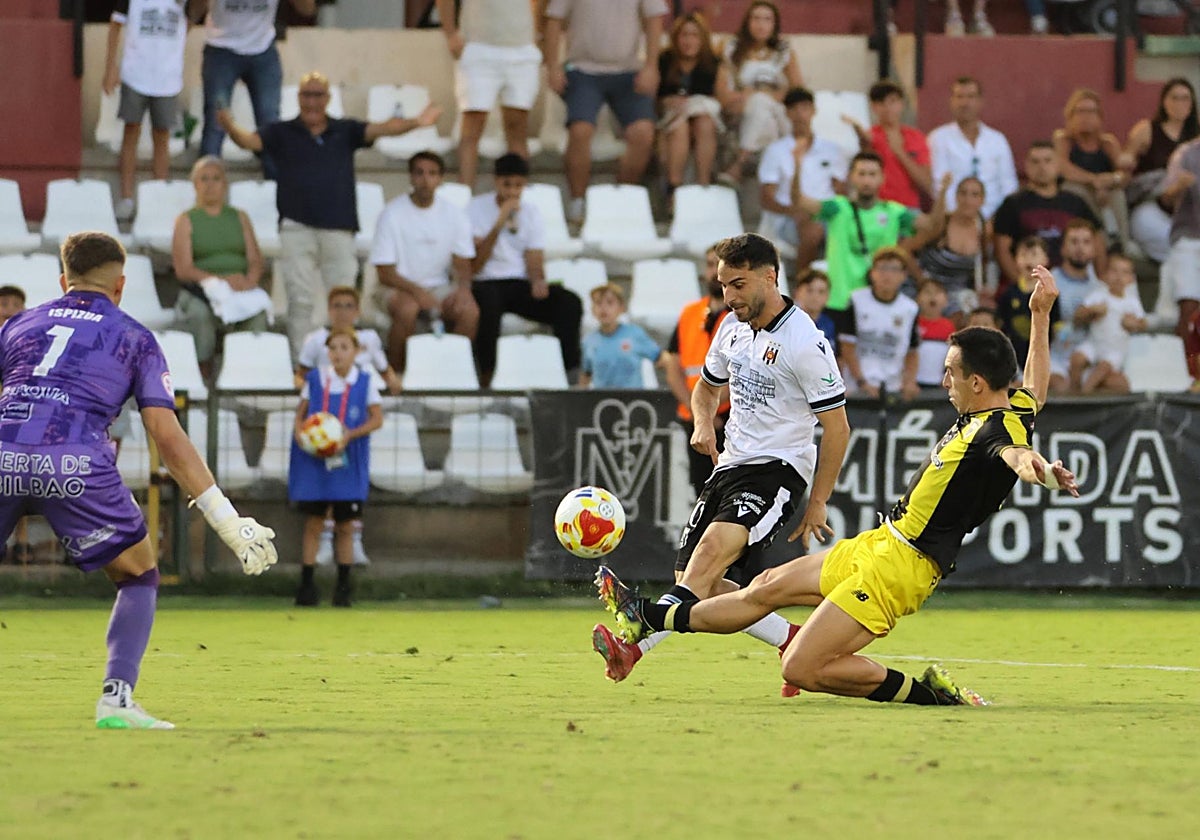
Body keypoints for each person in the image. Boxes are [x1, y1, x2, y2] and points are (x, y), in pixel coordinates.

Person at [595, 264, 1079, 706]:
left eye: (951, 370)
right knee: (762, 586)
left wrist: (1044, 474)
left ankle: (930, 695)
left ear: (976, 382)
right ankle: (647, 616)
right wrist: (1040, 315)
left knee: (801, 668)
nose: (943, 377)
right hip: (881, 543)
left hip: (904, 568)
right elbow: (1036, 389)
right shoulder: (1011, 406)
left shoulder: (996, 429)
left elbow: (1020, 457)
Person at [0, 231, 277, 728]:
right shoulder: (134, 337)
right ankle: (115, 698)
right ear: (121, 286)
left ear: (64, 280)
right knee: (138, 573)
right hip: (75, 462)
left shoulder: (18, 325)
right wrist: (226, 518)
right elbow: (164, 435)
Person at [590, 233, 852, 692]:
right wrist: (703, 424)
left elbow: (838, 427)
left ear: (771, 278)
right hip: (730, 464)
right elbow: (707, 387)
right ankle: (792, 639)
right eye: (723, 285)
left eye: (738, 285)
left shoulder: (804, 342)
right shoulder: (731, 326)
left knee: (707, 559)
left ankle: (636, 638)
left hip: (779, 469)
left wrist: (819, 501)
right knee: (698, 585)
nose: (728, 297)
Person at [218, 71, 441, 360]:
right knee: (300, 301)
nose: (312, 101)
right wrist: (229, 125)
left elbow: (382, 129)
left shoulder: (344, 130)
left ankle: (346, 362)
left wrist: (416, 123)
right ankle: (304, 366)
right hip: (296, 228)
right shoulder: (280, 132)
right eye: (306, 95)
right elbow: (248, 142)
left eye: (317, 95)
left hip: (338, 228)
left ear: (327, 98)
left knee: (344, 300)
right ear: (299, 98)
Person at [296, 286, 400, 568]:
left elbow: (385, 371)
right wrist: (314, 413)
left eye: (348, 305)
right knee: (322, 487)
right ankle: (325, 544)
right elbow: (301, 375)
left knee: (350, 485)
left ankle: (353, 542)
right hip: (323, 416)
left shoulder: (369, 341)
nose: (342, 311)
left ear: (357, 310)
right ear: (329, 310)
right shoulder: (316, 340)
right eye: (337, 305)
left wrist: (392, 382)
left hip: (353, 418)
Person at [542, 0, 668, 224]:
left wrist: (651, 66)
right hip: (582, 70)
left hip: (628, 71)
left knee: (644, 132)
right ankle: (577, 202)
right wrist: (552, 65)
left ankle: (618, 198)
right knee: (580, 130)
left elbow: (654, 18)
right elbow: (554, 19)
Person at [468, 153, 583, 387]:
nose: (512, 191)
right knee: (489, 306)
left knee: (569, 302)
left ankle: (569, 370)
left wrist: (538, 280)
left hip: (517, 282)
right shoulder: (475, 209)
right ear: (496, 181)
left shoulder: (531, 213)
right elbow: (476, 263)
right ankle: (487, 373)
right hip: (486, 280)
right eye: (506, 184)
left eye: (518, 185)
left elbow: (534, 255)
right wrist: (499, 223)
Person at [290, 328, 383, 608]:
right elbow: (301, 413)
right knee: (313, 523)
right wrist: (301, 434)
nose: (338, 353)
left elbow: (376, 419)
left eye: (344, 347)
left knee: (345, 525)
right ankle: (306, 586)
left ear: (355, 351)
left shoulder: (366, 382)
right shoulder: (316, 379)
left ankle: (343, 588)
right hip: (315, 461)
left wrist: (349, 435)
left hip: (347, 458)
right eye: (333, 348)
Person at [369, 151, 478, 375]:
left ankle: (453, 372)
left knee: (470, 311)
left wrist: (464, 290)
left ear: (440, 179)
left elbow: (462, 263)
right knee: (407, 309)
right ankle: (396, 374)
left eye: (432, 173)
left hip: (438, 286)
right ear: (410, 177)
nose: (426, 180)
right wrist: (418, 292)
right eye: (419, 173)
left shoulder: (454, 214)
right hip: (397, 286)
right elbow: (385, 273)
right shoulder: (392, 214)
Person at [790, 149, 928, 314]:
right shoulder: (837, 207)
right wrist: (796, 166)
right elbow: (799, 200)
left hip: (877, 301)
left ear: (882, 177)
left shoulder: (893, 212)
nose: (867, 180)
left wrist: (942, 193)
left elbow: (931, 225)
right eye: (861, 174)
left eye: (872, 174)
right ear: (851, 177)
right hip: (839, 301)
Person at [171, 155, 271, 381]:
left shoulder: (239, 217)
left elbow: (256, 260)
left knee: (258, 314)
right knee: (200, 316)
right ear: (195, 185)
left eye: (216, 179)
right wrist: (222, 281)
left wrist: (248, 282)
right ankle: (202, 377)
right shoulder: (186, 220)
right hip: (200, 291)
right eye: (203, 179)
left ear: (225, 184)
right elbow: (183, 268)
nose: (210, 185)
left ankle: (246, 377)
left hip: (239, 288)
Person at [194, 0, 314, 178]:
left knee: (270, 124)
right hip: (221, 46)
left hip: (262, 48)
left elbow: (307, 9)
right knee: (216, 123)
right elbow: (195, 10)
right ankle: (205, 197)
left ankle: (275, 192)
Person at [435, 0, 541, 189]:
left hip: (521, 50)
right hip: (478, 47)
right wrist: (450, 33)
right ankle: (465, 197)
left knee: (517, 127)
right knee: (472, 128)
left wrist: (537, 32)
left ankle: (517, 200)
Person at [102, 0, 191, 221]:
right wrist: (111, 67)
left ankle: (158, 198)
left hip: (168, 78)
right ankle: (126, 198)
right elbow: (115, 25)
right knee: (130, 133)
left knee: (162, 137)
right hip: (135, 74)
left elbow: (198, 15)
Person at [661, 246, 730, 499]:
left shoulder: (740, 315)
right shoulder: (690, 312)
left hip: (730, 419)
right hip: (696, 419)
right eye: (711, 265)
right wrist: (699, 412)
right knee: (701, 492)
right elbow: (672, 364)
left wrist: (708, 410)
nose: (715, 272)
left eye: (720, 265)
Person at [756, 86, 846, 269]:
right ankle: (804, 282)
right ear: (787, 113)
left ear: (814, 111)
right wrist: (793, 211)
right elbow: (766, 198)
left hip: (825, 213)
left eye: (804, 108)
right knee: (813, 227)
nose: (800, 114)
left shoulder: (832, 150)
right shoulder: (776, 151)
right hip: (788, 218)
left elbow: (840, 191)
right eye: (794, 109)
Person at [993, 141, 1105, 286]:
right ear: (1026, 166)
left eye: (1048, 160)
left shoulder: (1076, 202)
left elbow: (1097, 242)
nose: (1042, 167)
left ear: (1058, 165)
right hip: (1030, 285)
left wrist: (1101, 282)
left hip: (1071, 284)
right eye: (1035, 162)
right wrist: (1022, 286)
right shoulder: (1012, 204)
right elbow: (1002, 251)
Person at [717, 0, 804, 185]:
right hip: (744, 112)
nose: (761, 24)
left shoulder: (784, 52)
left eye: (767, 19)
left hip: (779, 111)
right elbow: (721, 93)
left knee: (761, 103)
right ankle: (772, 189)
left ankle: (739, 163)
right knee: (765, 120)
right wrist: (746, 97)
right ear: (747, 22)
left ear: (775, 25)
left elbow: (799, 94)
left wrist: (768, 96)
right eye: (756, 19)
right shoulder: (732, 49)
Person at [1123, 78, 1199, 265]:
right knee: (1179, 250)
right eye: (1174, 98)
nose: (1180, 104)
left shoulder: (1196, 135)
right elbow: (1125, 163)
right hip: (1153, 204)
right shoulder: (1146, 130)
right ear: (1164, 102)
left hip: (1190, 209)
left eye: (1185, 99)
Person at [655, 11, 731, 196]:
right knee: (679, 127)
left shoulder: (713, 63)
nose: (689, 41)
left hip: (701, 117)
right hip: (670, 118)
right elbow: (653, 98)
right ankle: (674, 189)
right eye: (684, 35)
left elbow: (721, 98)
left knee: (705, 122)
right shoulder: (664, 60)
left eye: (694, 35)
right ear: (676, 37)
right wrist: (667, 101)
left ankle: (702, 187)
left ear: (703, 39)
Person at [927, 76, 1018, 220]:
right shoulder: (938, 138)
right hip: (952, 219)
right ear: (951, 101)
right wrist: (958, 218)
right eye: (959, 97)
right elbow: (938, 184)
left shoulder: (997, 140)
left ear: (981, 102)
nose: (965, 103)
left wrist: (996, 219)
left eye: (971, 97)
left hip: (995, 220)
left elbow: (1009, 185)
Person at [839, 247, 921, 401]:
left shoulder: (910, 308)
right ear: (872, 273)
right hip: (858, 389)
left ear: (904, 276)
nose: (887, 275)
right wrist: (862, 382)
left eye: (894, 270)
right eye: (882, 268)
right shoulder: (857, 300)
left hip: (892, 388)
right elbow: (847, 347)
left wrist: (909, 381)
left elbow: (912, 351)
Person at [1053, 88, 1131, 248]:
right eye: (1080, 111)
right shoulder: (1064, 140)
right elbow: (1063, 168)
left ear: (1100, 116)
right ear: (1070, 115)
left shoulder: (1108, 143)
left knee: (1117, 194)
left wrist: (1111, 180)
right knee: (1075, 190)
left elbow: (1123, 174)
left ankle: (1121, 245)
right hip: (1077, 196)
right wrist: (1094, 180)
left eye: (1091, 111)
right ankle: (1101, 239)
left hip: (1106, 197)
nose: (1085, 117)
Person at [845, 79, 931, 211]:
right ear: (873, 107)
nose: (887, 108)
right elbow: (865, 149)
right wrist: (860, 134)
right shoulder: (871, 135)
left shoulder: (916, 137)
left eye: (893, 101)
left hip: (908, 208)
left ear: (902, 104)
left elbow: (926, 183)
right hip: (877, 208)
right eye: (881, 103)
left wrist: (899, 152)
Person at [912, 175, 990, 321]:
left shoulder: (984, 230)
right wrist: (921, 280)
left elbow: (986, 264)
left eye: (974, 195)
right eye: (963, 193)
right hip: (927, 285)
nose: (968, 200)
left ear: (983, 200)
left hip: (958, 294)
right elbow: (906, 251)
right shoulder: (942, 225)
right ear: (956, 197)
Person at [1068, 253, 1146, 395]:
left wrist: (1133, 324)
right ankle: (1073, 391)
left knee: (1103, 369)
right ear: (1104, 275)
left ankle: (1085, 394)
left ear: (1131, 279)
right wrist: (1092, 310)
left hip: (1114, 350)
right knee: (1077, 358)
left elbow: (1143, 323)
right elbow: (1079, 313)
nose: (1118, 276)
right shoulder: (1099, 294)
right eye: (1114, 271)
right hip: (1094, 343)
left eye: (1124, 272)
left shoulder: (1131, 301)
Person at [1161, 134, 1200, 389]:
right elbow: (1166, 196)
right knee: (1189, 307)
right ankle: (1189, 376)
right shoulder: (1186, 154)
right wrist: (1179, 186)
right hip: (1189, 239)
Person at [1048, 219, 1102, 394]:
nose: (1080, 248)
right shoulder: (1049, 282)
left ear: (1094, 249)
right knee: (1060, 386)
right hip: (1055, 357)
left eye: (1086, 242)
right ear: (1063, 248)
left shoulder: (1100, 288)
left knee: (1119, 384)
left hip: (1087, 360)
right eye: (1074, 241)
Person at [580, 284, 663, 389]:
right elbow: (586, 374)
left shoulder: (634, 334)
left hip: (632, 399)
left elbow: (661, 358)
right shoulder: (589, 341)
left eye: (610, 303)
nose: (604, 308)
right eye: (598, 303)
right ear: (592, 309)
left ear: (621, 307)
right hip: (602, 401)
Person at [996, 236, 1061, 371]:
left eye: (1034, 254)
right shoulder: (1008, 294)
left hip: (1044, 354)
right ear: (1016, 260)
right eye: (1023, 255)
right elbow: (1002, 325)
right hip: (1014, 356)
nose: (1028, 259)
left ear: (1046, 260)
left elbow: (1056, 327)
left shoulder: (1050, 293)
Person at [915, 279, 956, 390]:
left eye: (937, 293)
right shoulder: (913, 324)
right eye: (927, 292)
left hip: (939, 382)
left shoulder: (949, 327)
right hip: (915, 381)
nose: (932, 297)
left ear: (946, 300)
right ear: (917, 298)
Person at [789, 268, 838, 348]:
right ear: (797, 292)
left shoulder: (828, 324)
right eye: (809, 290)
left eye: (821, 292)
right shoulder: (788, 322)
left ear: (828, 296)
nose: (815, 297)